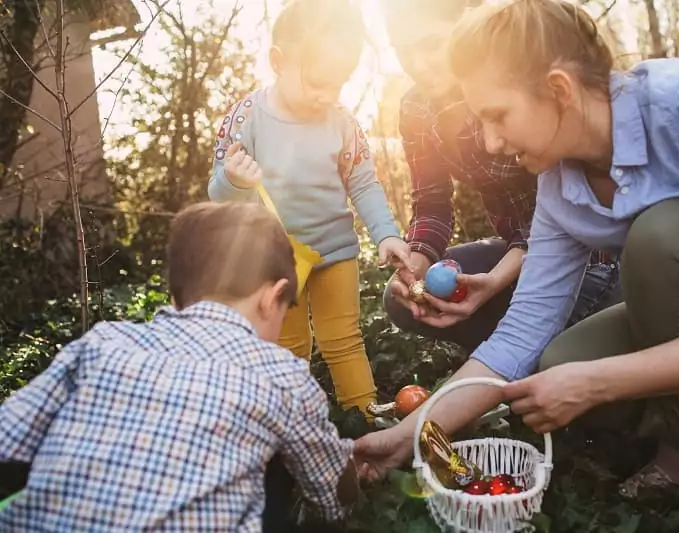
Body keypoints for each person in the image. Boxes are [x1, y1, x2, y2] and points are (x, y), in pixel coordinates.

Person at [356, 0, 679, 499]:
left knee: (663, 236)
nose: (490, 141)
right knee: (564, 358)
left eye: (497, 116)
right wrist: (406, 437)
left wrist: (599, 382)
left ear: (559, 89)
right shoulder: (559, 183)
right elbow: (520, 336)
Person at [0, 201, 359, 530]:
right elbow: (332, 497)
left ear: (174, 296)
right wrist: (348, 468)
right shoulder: (282, 374)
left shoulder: (103, 342)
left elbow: (7, 443)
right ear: (272, 298)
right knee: (277, 459)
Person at [380, 0, 620, 353]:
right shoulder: (417, 109)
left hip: (581, 255)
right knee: (396, 300)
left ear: (466, 26)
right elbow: (432, 203)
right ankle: (511, 351)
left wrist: (494, 282)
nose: (417, 65)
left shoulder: (516, 90)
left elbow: (558, 212)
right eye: (402, 52)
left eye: (430, 45)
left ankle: (537, 347)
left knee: (538, 346)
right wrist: (416, 266)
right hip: (516, 252)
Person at [209, 0, 411, 415]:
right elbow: (218, 196)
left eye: (339, 83)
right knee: (288, 347)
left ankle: (364, 421)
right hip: (277, 261)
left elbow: (364, 183)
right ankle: (291, 429)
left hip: (336, 252)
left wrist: (386, 233)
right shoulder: (246, 117)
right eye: (318, 81)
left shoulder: (342, 122)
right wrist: (234, 178)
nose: (327, 95)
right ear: (279, 61)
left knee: (344, 340)